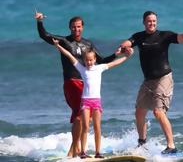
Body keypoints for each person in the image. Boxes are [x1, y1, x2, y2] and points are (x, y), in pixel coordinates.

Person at [34, 11, 122, 157]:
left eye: (79, 27)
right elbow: (44, 35)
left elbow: (102, 60)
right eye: (74, 27)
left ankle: (73, 150)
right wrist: (39, 21)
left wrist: (116, 54)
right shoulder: (64, 41)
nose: (77, 29)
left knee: (82, 117)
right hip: (71, 82)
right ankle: (75, 150)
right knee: (80, 117)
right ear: (70, 28)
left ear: (83, 27)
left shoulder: (88, 44)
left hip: (85, 86)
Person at [119, 10, 183, 154]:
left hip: (164, 78)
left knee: (158, 111)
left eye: (154, 21)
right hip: (148, 81)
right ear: (144, 22)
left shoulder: (164, 36)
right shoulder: (139, 36)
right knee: (139, 111)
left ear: (157, 22)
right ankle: (142, 143)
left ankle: (171, 146)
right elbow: (128, 42)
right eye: (149, 21)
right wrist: (123, 48)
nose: (152, 23)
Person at [52, 38, 133, 158]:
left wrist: (127, 56)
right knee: (85, 127)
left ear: (95, 60)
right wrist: (58, 47)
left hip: (96, 102)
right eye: (87, 60)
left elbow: (115, 63)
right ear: (84, 61)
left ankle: (97, 152)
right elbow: (69, 55)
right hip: (85, 102)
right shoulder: (82, 69)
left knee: (97, 128)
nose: (89, 62)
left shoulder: (99, 68)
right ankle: (83, 152)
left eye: (91, 60)